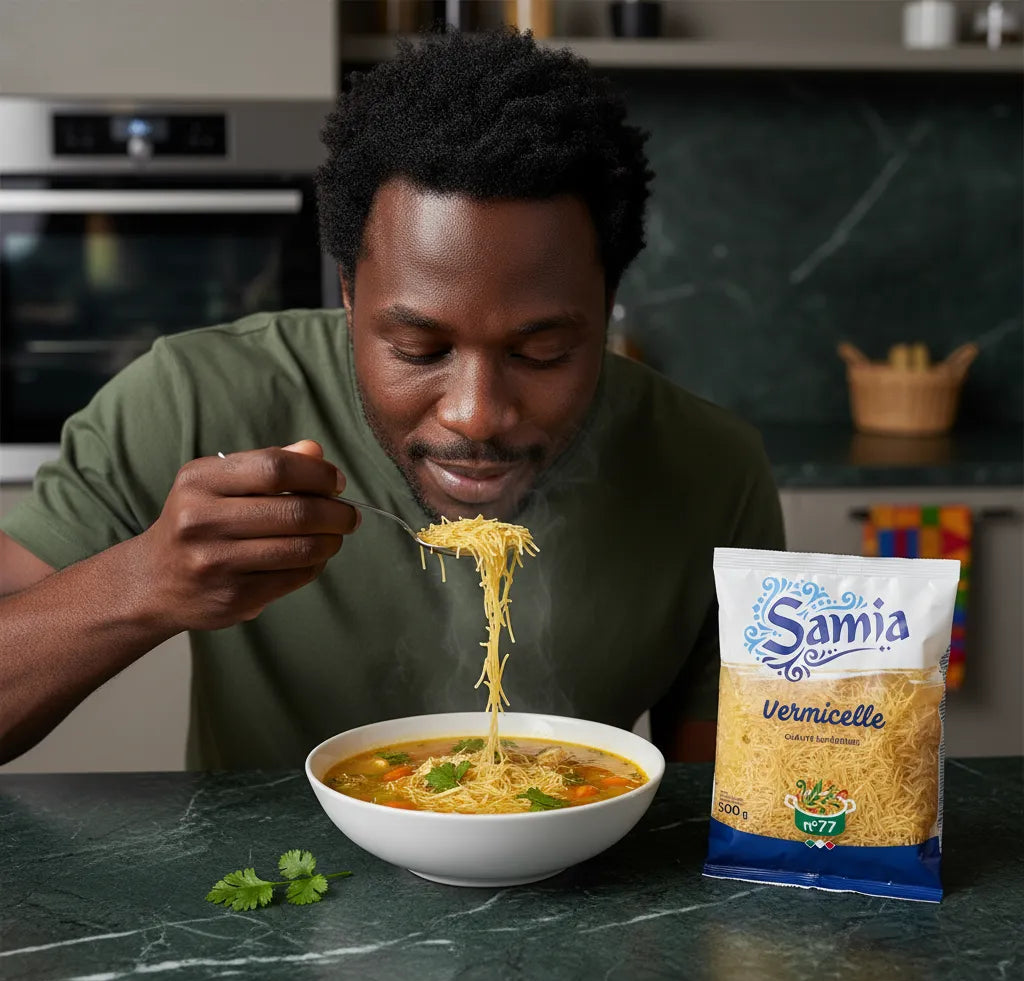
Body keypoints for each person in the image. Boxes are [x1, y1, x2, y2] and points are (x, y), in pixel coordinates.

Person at [0, 30, 783, 769]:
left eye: (540, 352)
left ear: (608, 302)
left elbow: (722, 801)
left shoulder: (713, 468)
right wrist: (144, 584)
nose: (476, 414)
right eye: (420, 349)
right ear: (348, 294)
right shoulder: (197, 399)